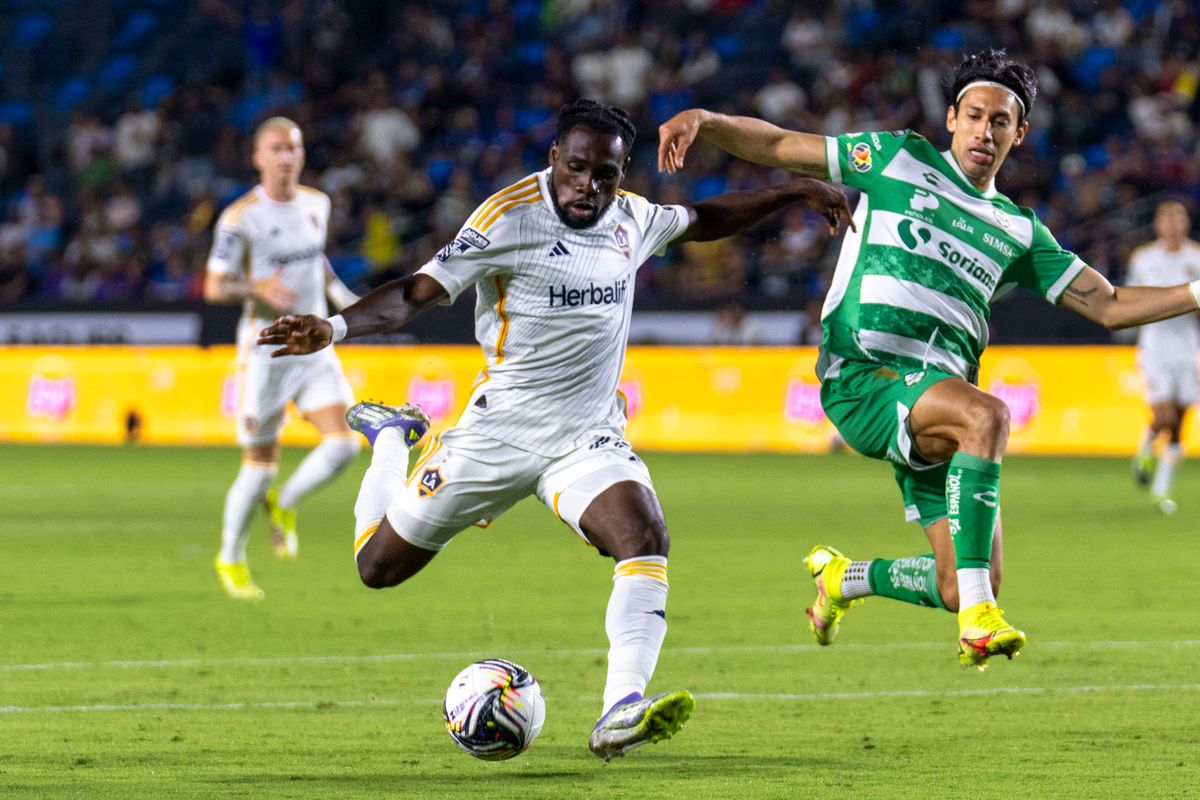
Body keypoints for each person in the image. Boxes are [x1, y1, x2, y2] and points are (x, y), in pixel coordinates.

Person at [258, 99, 853, 758]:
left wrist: (794, 190)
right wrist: (333, 329)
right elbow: (416, 292)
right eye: (576, 169)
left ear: (621, 174)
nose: (588, 187)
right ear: (554, 161)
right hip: (498, 436)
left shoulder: (631, 218)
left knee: (643, 535)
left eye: (604, 175)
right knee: (376, 568)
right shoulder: (506, 217)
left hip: (585, 438)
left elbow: (706, 219)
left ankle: (621, 709)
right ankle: (394, 436)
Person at [658, 50, 1200, 670]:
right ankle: (977, 624)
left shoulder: (1019, 232)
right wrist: (707, 118)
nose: (985, 131)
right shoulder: (897, 159)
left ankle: (845, 579)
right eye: (974, 115)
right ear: (951, 118)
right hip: (863, 376)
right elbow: (784, 144)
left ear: (1018, 135)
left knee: (964, 579)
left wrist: (1195, 292)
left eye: (1001, 122)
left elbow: (1108, 305)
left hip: (932, 403)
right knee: (989, 419)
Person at [205, 116, 362, 600]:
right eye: (276, 148)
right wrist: (256, 286)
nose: (286, 156)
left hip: (313, 347)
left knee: (345, 444)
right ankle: (230, 558)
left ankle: (286, 502)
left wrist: (347, 302)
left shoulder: (318, 203)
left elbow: (317, 261)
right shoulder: (240, 218)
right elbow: (214, 286)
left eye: (293, 147)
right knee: (259, 465)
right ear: (258, 157)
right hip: (267, 351)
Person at [1127, 200, 1200, 513]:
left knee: (1179, 424)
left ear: (1186, 223)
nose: (1172, 224)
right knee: (1164, 416)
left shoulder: (1196, 256)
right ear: (1158, 225)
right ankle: (1145, 447)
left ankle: (1161, 490)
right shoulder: (1143, 259)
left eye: (1177, 218)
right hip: (1155, 346)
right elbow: (1130, 299)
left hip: (1188, 346)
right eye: (1166, 218)